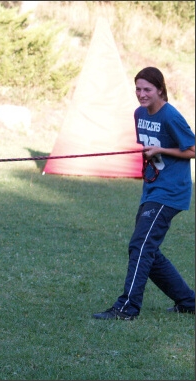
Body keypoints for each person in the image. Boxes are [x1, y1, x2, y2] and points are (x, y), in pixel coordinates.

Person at [93, 66, 195, 320]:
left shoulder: (171, 116)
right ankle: (189, 302)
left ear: (160, 89)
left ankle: (127, 308)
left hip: (171, 191)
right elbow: (149, 150)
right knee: (146, 249)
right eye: (138, 89)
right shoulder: (139, 114)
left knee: (141, 246)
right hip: (152, 189)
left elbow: (192, 149)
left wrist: (161, 150)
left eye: (147, 89)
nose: (141, 94)